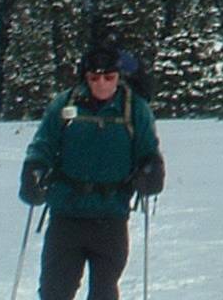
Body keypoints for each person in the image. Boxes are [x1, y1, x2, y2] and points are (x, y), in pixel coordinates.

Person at [20, 44, 165, 300]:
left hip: (111, 216)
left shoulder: (135, 108)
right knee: (55, 291)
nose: (101, 84)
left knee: (104, 292)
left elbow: (147, 148)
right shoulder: (64, 104)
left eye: (109, 77)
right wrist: (34, 168)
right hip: (66, 214)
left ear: (118, 77)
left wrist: (151, 169)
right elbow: (43, 143)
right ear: (85, 77)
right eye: (94, 78)